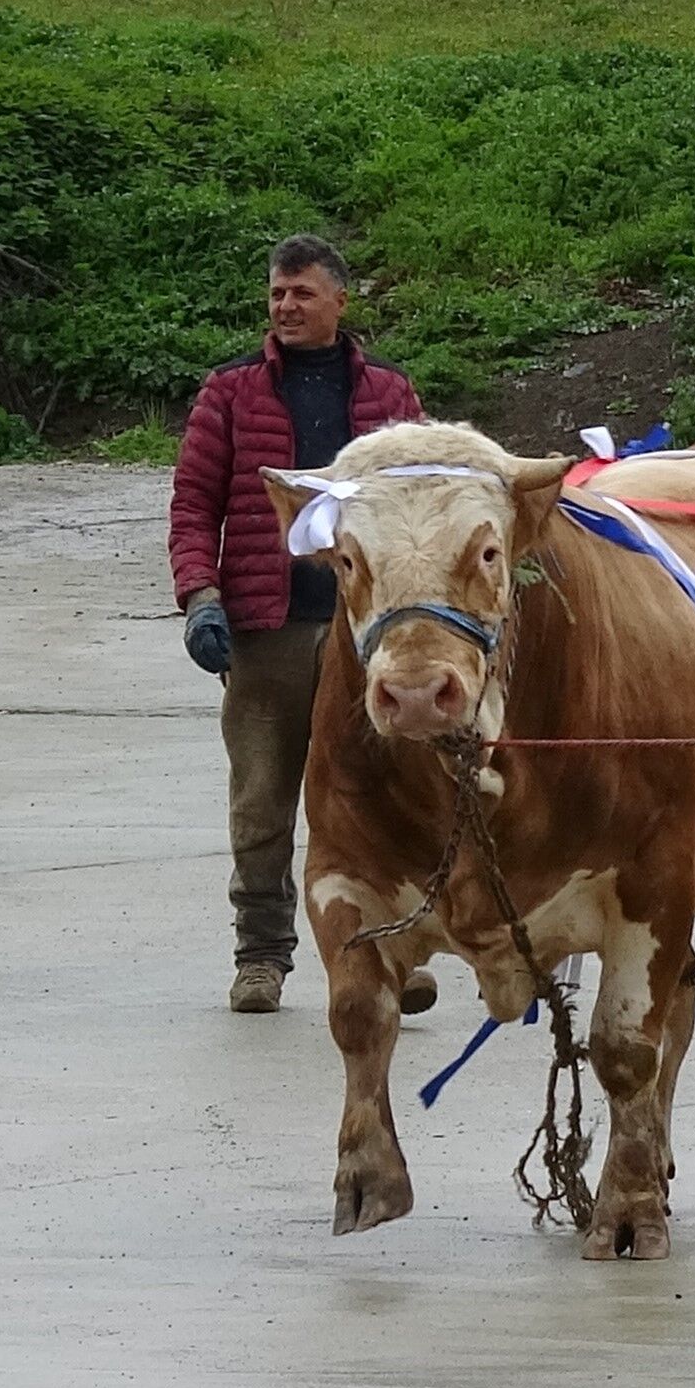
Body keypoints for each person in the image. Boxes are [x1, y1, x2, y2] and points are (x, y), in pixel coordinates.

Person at [167, 236, 432, 1016]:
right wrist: (200, 599)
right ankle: (261, 956)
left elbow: (427, 505)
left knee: (388, 789)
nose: (285, 306)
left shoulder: (389, 394)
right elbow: (193, 507)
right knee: (263, 797)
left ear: (339, 302)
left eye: (302, 294)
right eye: (277, 294)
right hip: (268, 628)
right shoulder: (231, 394)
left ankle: (396, 946)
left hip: (368, 629)